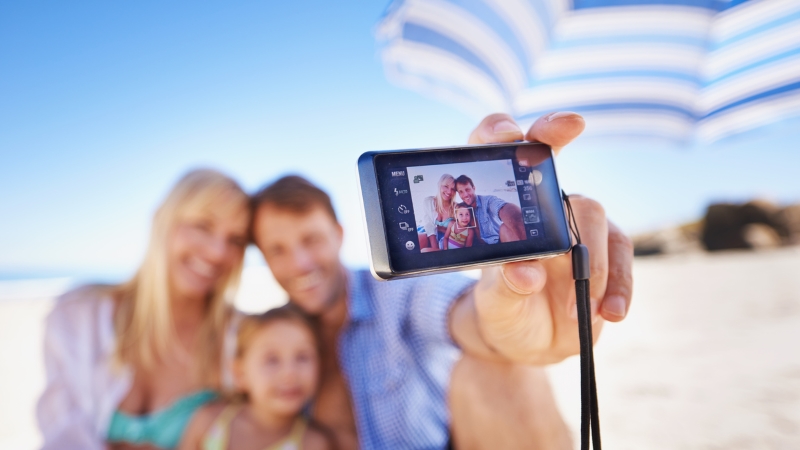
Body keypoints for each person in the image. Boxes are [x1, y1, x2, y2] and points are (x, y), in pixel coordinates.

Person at [249, 111, 634, 449]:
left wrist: (498, 325)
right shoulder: (263, 336)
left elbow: (457, 310)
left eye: (310, 240)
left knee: (496, 371)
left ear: (338, 233)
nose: (299, 263)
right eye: (278, 250)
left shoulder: (393, 293)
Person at [37, 169, 251, 450]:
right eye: (203, 226)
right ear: (162, 221)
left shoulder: (243, 340)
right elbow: (60, 435)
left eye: (235, 240)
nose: (217, 252)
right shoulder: (78, 315)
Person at [179, 306, 332, 450]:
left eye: (302, 357)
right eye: (272, 360)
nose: (290, 373)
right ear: (240, 373)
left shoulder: (313, 444)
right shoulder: (208, 422)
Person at [454, 173, 526, 244]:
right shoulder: (461, 209)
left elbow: (505, 209)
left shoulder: (487, 201)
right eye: (461, 192)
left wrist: (526, 240)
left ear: (474, 188)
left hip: (498, 243)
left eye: (467, 190)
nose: (465, 195)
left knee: (505, 228)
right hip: (479, 249)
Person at [416, 174, 456, 252]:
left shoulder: (456, 207)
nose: (449, 191)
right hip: (433, 235)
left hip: (446, 240)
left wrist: (440, 228)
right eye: (446, 186)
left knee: (424, 251)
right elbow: (429, 225)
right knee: (418, 238)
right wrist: (435, 247)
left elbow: (458, 232)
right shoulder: (429, 201)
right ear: (439, 185)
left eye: (453, 189)